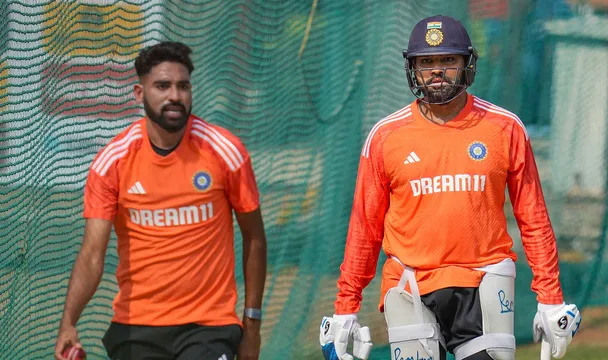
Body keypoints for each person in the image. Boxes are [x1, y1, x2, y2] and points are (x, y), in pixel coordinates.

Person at [319, 15, 581, 360]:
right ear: (412, 67)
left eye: (448, 60)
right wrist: (346, 306)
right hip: (409, 284)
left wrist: (550, 297)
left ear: (467, 64)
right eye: (426, 62)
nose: (437, 70)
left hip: (485, 279)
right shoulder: (385, 136)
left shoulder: (505, 128)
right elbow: (364, 229)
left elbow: (533, 218)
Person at [54, 41, 267, 360]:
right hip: (136, 327)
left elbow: (255, 237)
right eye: (162, 86)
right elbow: (92, 253)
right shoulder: (112, 161)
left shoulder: (225, 151)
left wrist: (251, 326)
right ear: (140, 94)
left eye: (183, 86)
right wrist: (68, 323)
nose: (175, 96)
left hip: (208, 327)